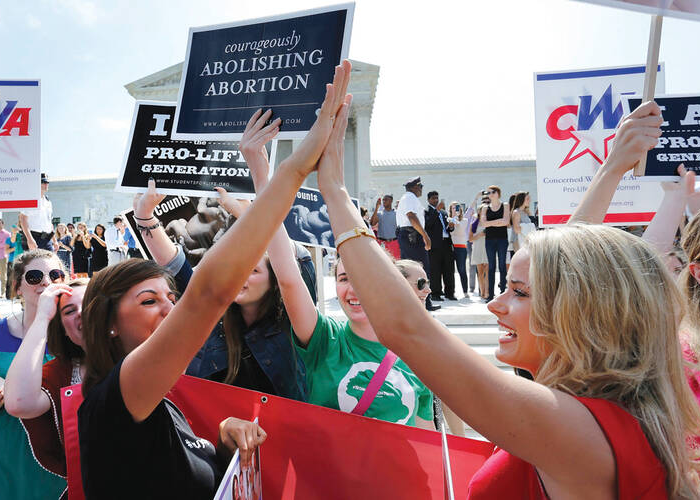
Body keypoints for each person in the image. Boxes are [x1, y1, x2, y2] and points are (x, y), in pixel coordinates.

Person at [315, 99, 700, 498]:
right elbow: (566, 270)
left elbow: (406, 328)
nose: (494, 304)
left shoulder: (577, 428)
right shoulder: (594, 417)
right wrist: (612, 168)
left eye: (518, 292)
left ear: (581, 315)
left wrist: (334, 190)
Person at [76, 60, 351, 499]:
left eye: (171, 297)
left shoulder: (161, 404)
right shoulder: (118, 397)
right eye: (149, 301)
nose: (171, 306)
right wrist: (288, 171)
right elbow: (204, 293)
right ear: (107, 321)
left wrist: (222, 437)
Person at [274, 101, 434, 430]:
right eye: (345, 277)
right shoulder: (325, 338)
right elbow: (288, 277)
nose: (355, 288)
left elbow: (427, 442)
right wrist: (267, 179)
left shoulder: (422, 357)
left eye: (365, 277)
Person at [132, 117, 315, 401]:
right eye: (236, 270)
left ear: (274, 280)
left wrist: (250, 206)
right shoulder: (211, 313)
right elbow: (174, 265)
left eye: (252, 270)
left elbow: (292, 259)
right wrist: (144, 216)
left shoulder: (295, 323)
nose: (238, 276)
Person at [0, 249, 68, 499]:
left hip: (59, 450)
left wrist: (10, 387)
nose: (47, 282)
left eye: (55, 275)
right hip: (6, 451)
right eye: (35, 276)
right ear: (17, 288)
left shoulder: (77, 335)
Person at [0, 278, 88, 494]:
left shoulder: (138, 351)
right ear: (64, 329)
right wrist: (42, 318)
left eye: (91, 303)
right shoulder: (63, 371)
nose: (82, 312)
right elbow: (19, 403)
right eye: (69, 311)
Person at [396, 177, 437, 311]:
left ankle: (417, 300)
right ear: (415, 187)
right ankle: (424, 302)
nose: (421, 189)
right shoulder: (409, 198)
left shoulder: (408, 198)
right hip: (412, 236)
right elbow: (411, 216)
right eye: (421, 186)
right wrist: (425, 235)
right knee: (419, 269)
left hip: (409, 235)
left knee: (412, 269)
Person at [425, 190, 456, 301]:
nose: (436, 200)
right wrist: (436, 211)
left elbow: (447, 228)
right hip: (434, 245)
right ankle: (436, 293)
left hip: (446, 243)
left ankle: (450, 293)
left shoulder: (444, 213)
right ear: (428, 200)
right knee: (435, 270)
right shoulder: (426, 212)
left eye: (437, 198)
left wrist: (451, 227)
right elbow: (428, 225)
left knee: (449, 269)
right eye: (433, 198)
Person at [480, 185, 509, 302]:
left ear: (497, 193)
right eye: (488, 192)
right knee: (491, 267)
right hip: (489, 240)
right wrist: (498, 222)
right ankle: (490, 295)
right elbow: (483, 224)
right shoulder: (485, 208)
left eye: (491, 192)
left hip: (502, 239)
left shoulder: (505, 205)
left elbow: (506, 221)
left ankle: (503, 293)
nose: (489, 194)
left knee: (502, 266)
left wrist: (490, 222)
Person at [448, 196, 478, 299]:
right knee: (449, 271)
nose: (454, 209)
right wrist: (452, 218)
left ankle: (465, 291)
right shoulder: (448, 220)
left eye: (456, 207)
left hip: (461, 248)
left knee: (461, 270)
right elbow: (450, 231)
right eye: (452, 207)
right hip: (450, 248)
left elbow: (459, 230)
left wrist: (455, 218)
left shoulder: (464, 220)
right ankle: (450, 292)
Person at [19, 173, 55, 251]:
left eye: (47, 183)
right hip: (34, 238)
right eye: (43, 182)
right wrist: (29, 239)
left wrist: (55, 241)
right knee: (34, 263)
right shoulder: (30, 199)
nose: (46, 184)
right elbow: (22, 219)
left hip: (47, 239)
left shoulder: (48, 201)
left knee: (50, 262)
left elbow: (49, 222)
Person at [369, 194, 399, 259]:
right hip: (382, 243)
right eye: (383, 200)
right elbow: (372, 223)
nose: (384, 201)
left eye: (386, 200)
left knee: (396, 262)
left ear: (391, 201)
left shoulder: (396, 213)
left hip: (394, 243)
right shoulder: (379, 213)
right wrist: (377, 207)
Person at [469, 204, 489, 299]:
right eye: (483, 210)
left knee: (488, 271)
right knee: (480, 272)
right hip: (477, 248)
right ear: (479, 212)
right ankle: (482, 292)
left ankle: (487, 292)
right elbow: (470, 239)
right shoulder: (474, 223)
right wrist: (480, 235)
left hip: (488, 248)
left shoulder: (489, 223)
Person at [4, 225, 24, 300]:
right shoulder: (9, 239)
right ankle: (9, 296)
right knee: (10, 278)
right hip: (12, 260)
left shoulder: (24, 238)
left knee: (20, 278)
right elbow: (6, 251)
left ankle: (19, 295)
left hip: (22, 260)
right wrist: (15, 248)